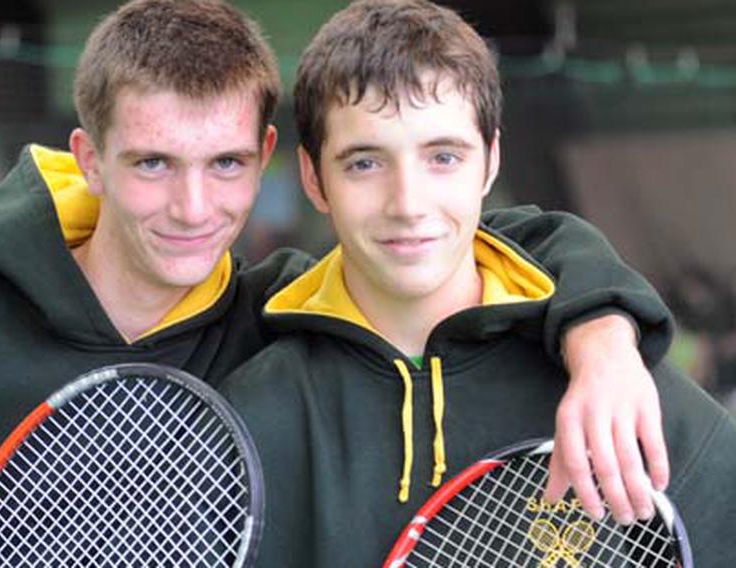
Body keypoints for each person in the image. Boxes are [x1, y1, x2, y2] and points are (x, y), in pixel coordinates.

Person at [0, 0, 675, 566]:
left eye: (225, 164)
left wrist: (602, 337)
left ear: (271, 162)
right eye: (153, 162)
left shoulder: (272, 317)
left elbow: (479, 238)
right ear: (90, 159)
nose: (193, 208)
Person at [219, 1, 736, 566]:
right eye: (365, 163)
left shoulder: (611, 386)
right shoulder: (251, 415)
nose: (408, 204)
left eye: (443, 157)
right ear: (315, 180)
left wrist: (602, 342)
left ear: (489, 163)